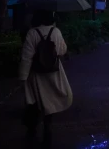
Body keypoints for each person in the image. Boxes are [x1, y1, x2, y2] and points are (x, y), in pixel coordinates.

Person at [19, 10, 73, 145]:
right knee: (51, 101)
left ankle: (32, 131)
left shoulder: (32, 33)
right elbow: (62, 50)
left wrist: (22, 77)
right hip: (54, 72)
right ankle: (47, 129)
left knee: (35, 102)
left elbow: (26, 57)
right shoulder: (56, 31)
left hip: (36, 75)